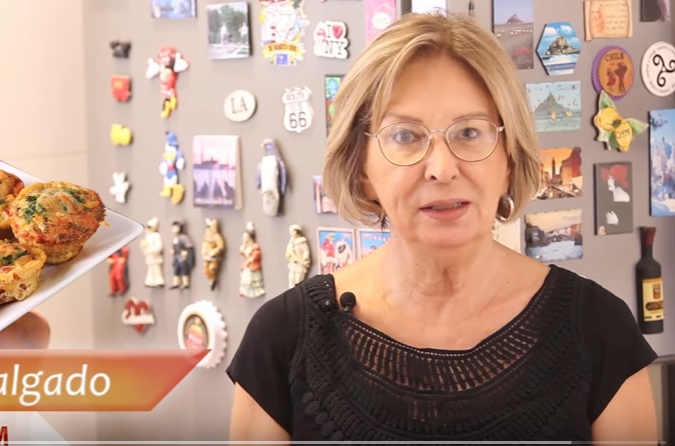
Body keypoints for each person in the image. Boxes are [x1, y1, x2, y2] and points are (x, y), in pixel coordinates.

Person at [227, 13, 658, 441]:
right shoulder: (280, 341)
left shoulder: (600, 330)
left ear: (509, 159)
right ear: (361, 169)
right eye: (405, 136)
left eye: (469, 132)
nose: (442, 168)